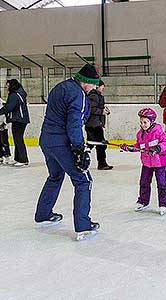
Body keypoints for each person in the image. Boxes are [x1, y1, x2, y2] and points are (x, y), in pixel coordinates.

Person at [34, 64, 100, 240]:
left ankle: (43, 214)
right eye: (93, 84)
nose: (94, 88)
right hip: (62, 143)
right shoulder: (79, 95)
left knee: (55, 176)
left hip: (46, 141)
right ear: (86, 82)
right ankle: (83, 225)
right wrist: (79, 149)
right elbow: (74, 124)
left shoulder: (60, 87)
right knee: (83, 180)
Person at [120, 108, 166, 216]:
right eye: (141, 122)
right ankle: (143, 201)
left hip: (159, 162)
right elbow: (138, 146)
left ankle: (163, 204)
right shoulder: (140, 134)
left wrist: (158, 148)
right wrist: (129, 148)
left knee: (161, 183)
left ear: (151, 121)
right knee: (144, 182)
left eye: (145, 122)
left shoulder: (158, 131)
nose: (143, 124)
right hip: (147, 163)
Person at [0, 79, 30, 167]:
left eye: (8, 85)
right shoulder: (18, 93)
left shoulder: (14, 95)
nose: (6, 87)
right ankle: (18, 158)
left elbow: (9, 107)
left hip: (19, 119)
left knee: (18, 139)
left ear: (12, 85)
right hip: (18, 119)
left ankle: (23, 159)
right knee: (17, 139)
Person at [85, 80, 113, 170]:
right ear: (98, 86)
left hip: (95, 124)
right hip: (93, 125)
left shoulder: (98, 96)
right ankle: (102, 164)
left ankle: (79, 157)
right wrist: (102, 111)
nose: (103, 89)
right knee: (101, 144)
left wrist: (102, 120)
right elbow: (92, 109)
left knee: (92, 143)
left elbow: (98, 108)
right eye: (102, 87)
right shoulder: (94, 96)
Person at [0, 97, 11, 164]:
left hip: (3, 126)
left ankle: (7, 156)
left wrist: (4, 123)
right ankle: (0, 157)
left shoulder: (4, 103)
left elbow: (7, 115)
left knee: (4, 142)